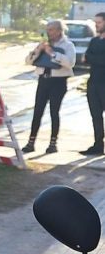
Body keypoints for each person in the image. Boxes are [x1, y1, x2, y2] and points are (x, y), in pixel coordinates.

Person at [22, 20, 76, 154]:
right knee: (37, 111)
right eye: (47, 29)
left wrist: (52, 53)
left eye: (51, 29)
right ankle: (31, 142)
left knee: (54, 112)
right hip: (43, 80)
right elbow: (28, 61)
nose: (48, 32)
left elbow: (70, 63)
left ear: (59, 31)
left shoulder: (68, 45)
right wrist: (38, 50)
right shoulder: (43, 44)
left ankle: (53, 143)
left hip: (58, 82)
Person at [82, 12, 105, 156]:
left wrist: (92, 58)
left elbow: (100, 60)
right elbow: (85, 58)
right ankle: (98, 145)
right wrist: (95, 58)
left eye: (99, 22)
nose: (96, 25)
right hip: (93, 84)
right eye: (95, 22)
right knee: (95, 116)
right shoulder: (94, 41)